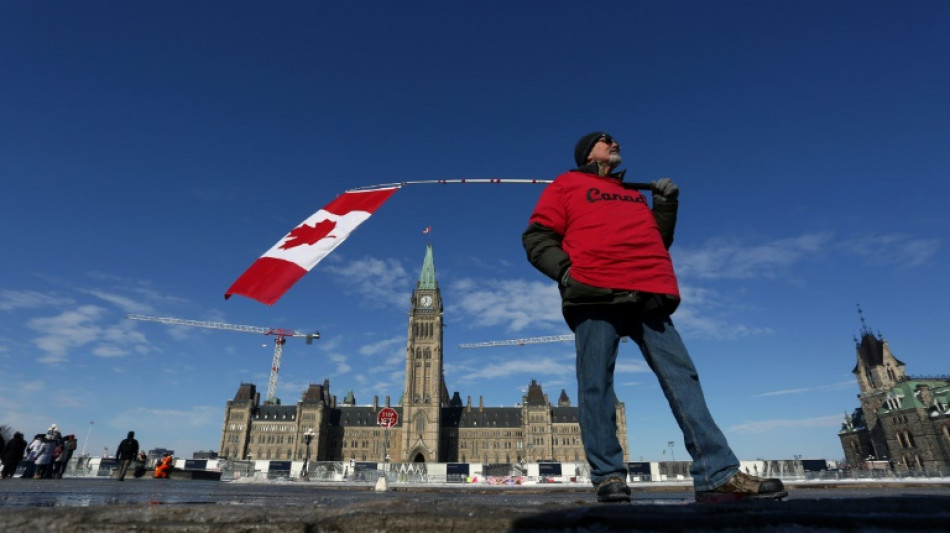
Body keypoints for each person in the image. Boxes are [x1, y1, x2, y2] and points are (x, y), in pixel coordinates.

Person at [522, 132, 787, 504]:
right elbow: (537, 237)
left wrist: (665, 205)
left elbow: (654, 243)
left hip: (647, 293)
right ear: (588, 153)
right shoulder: (568, 184)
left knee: (684, 377)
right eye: (605, 140)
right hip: (595, 293)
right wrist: (567, 273)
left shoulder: (632, 192)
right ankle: (608, 476)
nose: (615, 142)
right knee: (596, 383)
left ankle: (717, 473)